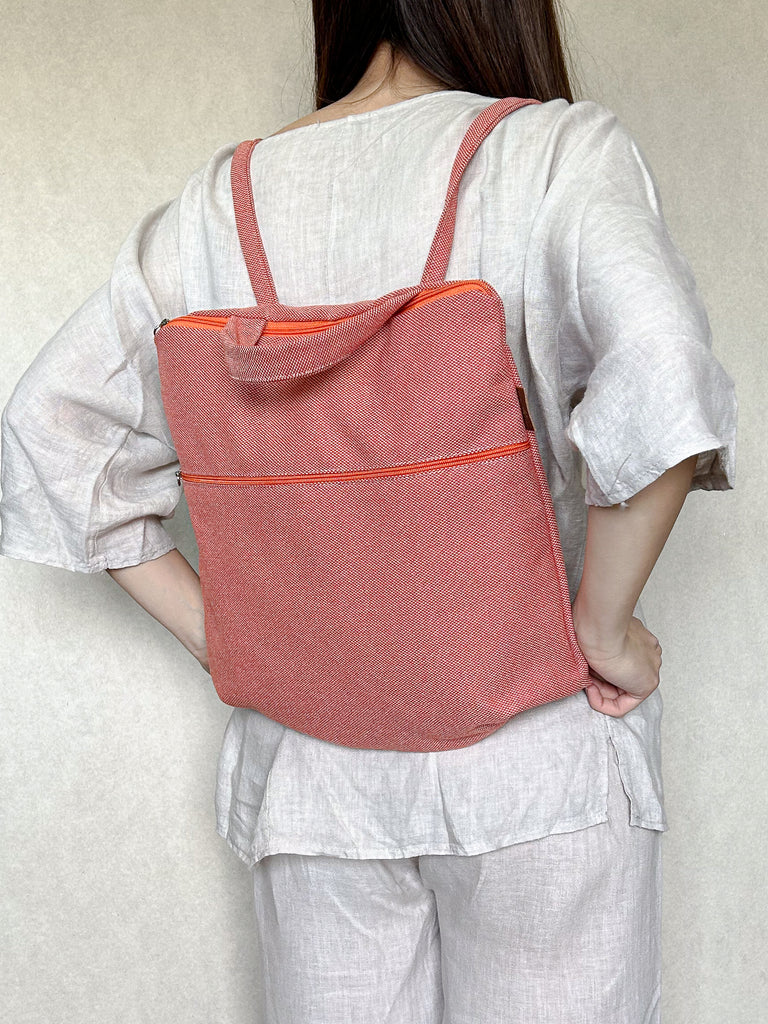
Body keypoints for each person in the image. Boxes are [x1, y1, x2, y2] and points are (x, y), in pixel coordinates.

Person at [0, 1, 737, 1021]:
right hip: (540, 760)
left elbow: (51, 425)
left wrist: (229, 643)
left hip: (313, 775)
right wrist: (602, 628)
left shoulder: (221, 201)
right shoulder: (554, 155)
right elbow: (662, 373)